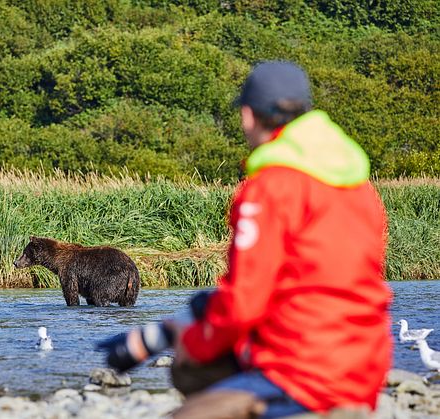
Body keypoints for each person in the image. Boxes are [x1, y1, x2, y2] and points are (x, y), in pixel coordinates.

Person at [166, 61, 393, 418]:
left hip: (303, 371)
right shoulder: (356, 182)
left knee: (186, 378)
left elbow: (244, 302)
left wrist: (192, 341)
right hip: (365, 369)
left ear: (247, 116)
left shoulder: (271, 185)